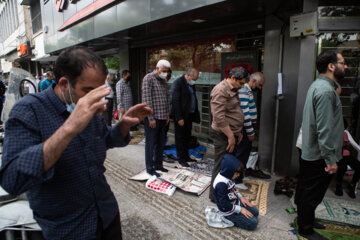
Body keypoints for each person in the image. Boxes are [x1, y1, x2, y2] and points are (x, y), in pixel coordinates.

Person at [0, 46, 152, 240]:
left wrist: (122, 126)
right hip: (68, 228)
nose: (96, 99)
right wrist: (69, 127)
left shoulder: (91, 113)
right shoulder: (29, 111)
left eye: (99, 92)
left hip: (106, 215)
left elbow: (104, 140)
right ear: (64, 84)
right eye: (88, 91)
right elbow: (12, 180)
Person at [295, 50, 347, 240]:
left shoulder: (319, 85)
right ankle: (306, 229)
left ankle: (305, 219)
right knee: (312, 194)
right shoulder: (325, 91)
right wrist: (330, 159)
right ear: (331, 66)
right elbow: (324, 129)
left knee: (306, 190)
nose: (345, 66)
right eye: (342, 62)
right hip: (319, 155)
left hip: (313, 151)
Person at [209, 67, 247, 202]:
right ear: (232, 78)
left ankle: (224, 191)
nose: (242, 86)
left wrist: (238, 132)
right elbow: (219, 118)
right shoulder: (221, 89)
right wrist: (231, 136)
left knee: (229, 166)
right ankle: (215, 196)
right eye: (241, 83)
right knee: (221, 165)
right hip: (223, 135)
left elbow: (234, 111)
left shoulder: (233, 89)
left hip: (232, 133)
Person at [213, 153, 259, 230]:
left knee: (255, 212)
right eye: (237, 173)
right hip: (229, 210)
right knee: (253, 223)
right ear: (229, 171)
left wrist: (241, 197)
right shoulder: (220, 184)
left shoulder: (227, 176)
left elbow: (232, 189)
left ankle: (240, 214)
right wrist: (240, 209)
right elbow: (224, 204)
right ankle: (228, 218)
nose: (238, 175)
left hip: (235, 203)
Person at [238, 72, 270, 179]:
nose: (260, 88)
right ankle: (237, 179)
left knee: (245, 153)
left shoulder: (248, 90)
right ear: (254, 81)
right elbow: (245, 114)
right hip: (245, 128)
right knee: (241, 154)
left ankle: (241, 175)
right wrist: (250, 132)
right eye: (260, 85)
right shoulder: (244, 90)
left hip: (246, 128)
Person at [142, 60, 171, 177]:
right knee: (151, 143)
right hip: (153, 118)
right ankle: (150, 168)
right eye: (163, 71)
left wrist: (167, 114)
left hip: (163, 117)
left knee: (160, 142)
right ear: (157, 68)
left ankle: (159, 164)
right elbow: (147, 99)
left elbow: (166, 99)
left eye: (167, 71)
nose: (165, 73)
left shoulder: (163, 80)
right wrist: (151, 118)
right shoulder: (148, 78)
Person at [171, 67, 200, 167]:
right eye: (193, 79)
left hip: (189, 115)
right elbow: (175, 101)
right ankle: (181, 158)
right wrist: (179, 117)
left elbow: (192, 98)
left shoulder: (190, 84)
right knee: (180, 138)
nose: (194, 81)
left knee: (187, 137)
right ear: (188, 75)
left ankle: (186, 156)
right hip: (181, 117)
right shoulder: (178, 83)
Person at [335, 120, 360, 199]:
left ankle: (352, 185)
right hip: (338, 155)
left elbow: (352, 144)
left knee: (359, 166)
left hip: (347, 155)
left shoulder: (346, 133)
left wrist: (347, 144)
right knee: (343, 167)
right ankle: (338, 185)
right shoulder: (334, 133)